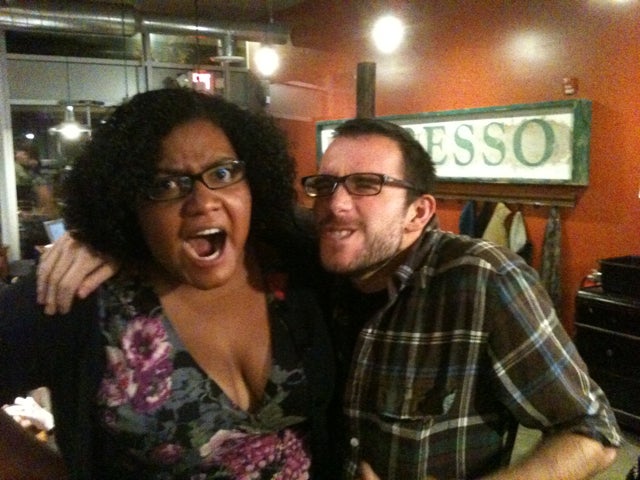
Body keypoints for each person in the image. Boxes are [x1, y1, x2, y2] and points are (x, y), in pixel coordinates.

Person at [37, 118, 622, 480]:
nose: (337, 204)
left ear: (419, 212)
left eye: (367, 185)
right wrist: (105, 237)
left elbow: (593, 433)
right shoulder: (312, 267)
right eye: (326, 183)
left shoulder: (481, 280)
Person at [0, 88, 336, 479]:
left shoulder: (298, 262)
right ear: (129, 201)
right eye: (166, 185)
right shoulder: (84, 293)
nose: (203, 202)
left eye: (223, 173)